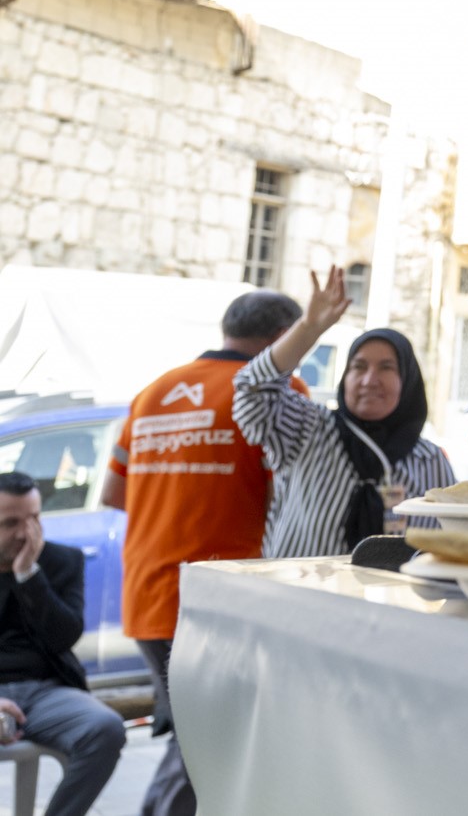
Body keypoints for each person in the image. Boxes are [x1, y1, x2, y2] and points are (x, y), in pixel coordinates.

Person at [101, 289, 305, 816]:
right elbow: (295, 495)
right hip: (218, 598)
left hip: (147, 594)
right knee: (203, 745)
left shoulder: (153, 393)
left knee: (194, 739)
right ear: (284, 338)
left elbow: (114, 494)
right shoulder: (274, 390)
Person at [234, 267, 454, 557]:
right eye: (358, 367)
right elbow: (252, 388)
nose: (369, 380)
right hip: (297, 586)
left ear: (407, 381)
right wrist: (309, 328)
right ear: (345, 377)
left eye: (386, 367)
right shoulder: (308, 428)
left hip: (393, 589)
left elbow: (448, 546)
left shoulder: (430, 461)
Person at [0, 473, 123, 816]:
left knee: (105, 728)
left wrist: (29, 575)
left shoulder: (62, 561)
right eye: (10, 523)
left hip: (45, 692)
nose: (25, 534)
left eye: (34, 519)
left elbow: (64, 637)